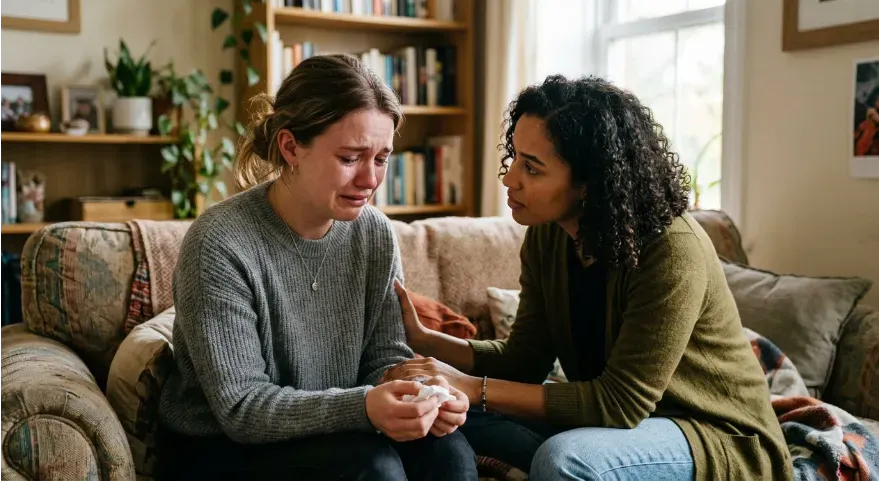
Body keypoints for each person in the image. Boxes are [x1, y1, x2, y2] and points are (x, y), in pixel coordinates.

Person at [383, 75, 793, 481]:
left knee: (565, 459)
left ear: (588, 183)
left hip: (713, 434)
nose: (509, 179)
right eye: (515, 158)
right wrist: (429, 343)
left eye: (532, 168)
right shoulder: (548, 236)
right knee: (446, 412)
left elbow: (619, 403)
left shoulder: (671, 249)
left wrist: (474, 387)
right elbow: (525, 359)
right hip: (619, 430)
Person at [156, 53, 478, 481]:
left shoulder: (374, 234)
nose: (370, 180)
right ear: (291, 147)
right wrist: (365, 406)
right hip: (220, 448)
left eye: (381, 159)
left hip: (334, 429)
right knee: (373, 469)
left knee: (450, 452)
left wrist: (421, 394)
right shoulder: (220, 243)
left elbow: (384, 358)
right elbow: (241, 408)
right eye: (350, 158)